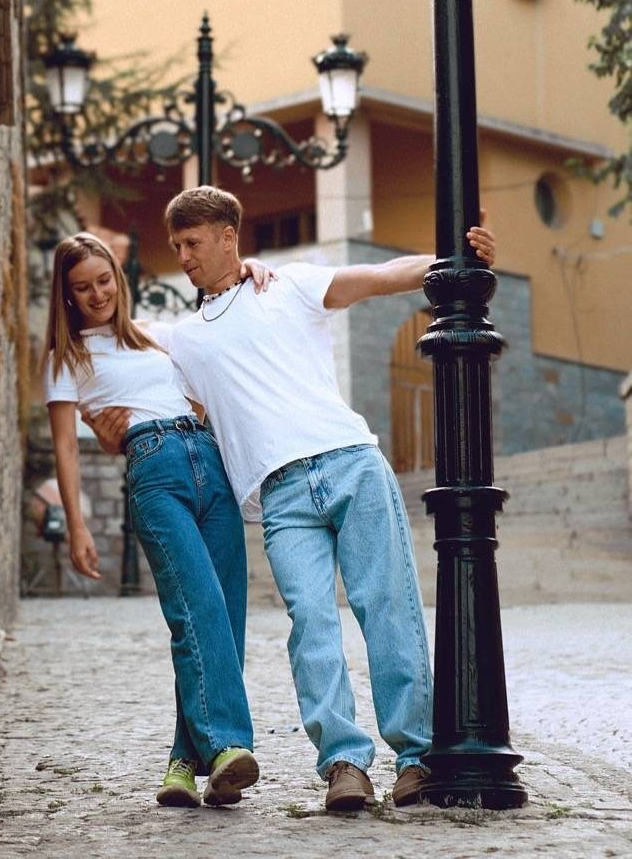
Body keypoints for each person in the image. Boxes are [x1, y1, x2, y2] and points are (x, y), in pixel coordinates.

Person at [87, 186, 496, 815]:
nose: (184, 257)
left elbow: (382, 275)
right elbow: (115, 353)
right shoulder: (185, 339)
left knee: (386, 605)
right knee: (311, 623)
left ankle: (414, 758)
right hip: (279, 495)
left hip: (351, 460)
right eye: (175, 247)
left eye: (193, 243)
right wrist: (102, 423)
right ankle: (343, 764)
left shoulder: (293, 284)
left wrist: (456, 263)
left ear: (229, 237)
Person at [43, 231, 271, 809]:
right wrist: (77, 526)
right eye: (82, 288)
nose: (97, 295)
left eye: (103, 281)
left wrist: (252, 270)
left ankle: (182, 764)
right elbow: (66, 447)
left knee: (223, 612)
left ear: (118, 279)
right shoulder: (66, 359)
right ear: (66, 296)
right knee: (194, 606)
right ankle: (226, 747)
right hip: (154, 468)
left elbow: (219, 340)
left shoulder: (160, 335)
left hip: (208, 462)